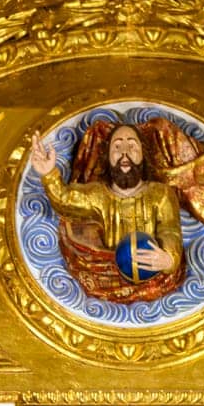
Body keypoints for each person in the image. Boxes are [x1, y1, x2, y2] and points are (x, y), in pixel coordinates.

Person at [31, 123, 183, 290]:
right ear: (107, 156)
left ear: (143, 154)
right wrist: (49, 174)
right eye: (117, 146)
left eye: (132, 145)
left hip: (153, 282)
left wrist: (168, 258)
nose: (125, 153)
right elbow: (65, 201)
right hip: (105, 279)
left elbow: (170, 231)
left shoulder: (161, 194)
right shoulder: (97, 194)